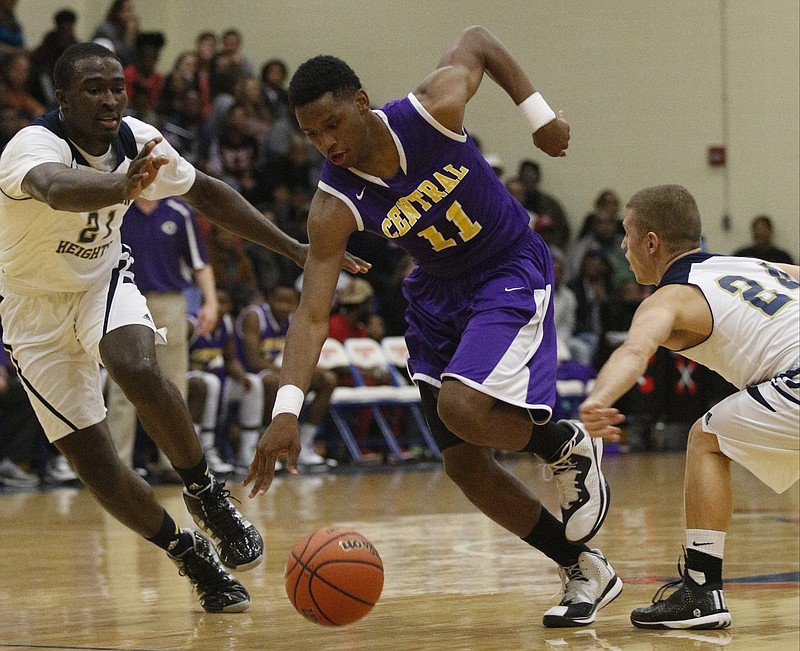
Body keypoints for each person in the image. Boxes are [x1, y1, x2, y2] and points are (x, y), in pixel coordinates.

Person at [244, 26, 622, 628]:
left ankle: (564, 445)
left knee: (461, 407)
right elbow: (313, 313)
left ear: (360, 101)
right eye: (311, 134)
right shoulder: (332, 204)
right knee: (463, 463)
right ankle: (584, 568)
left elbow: (477, 41)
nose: (326, 142)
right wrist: (286, 410)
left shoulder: (430, 111)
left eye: (332, 124)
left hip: (506, 266)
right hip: (436, 294)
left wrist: (539, 114)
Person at [0, 43, 366, 613]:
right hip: (33, 310)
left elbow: (208, 194)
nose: (109, 98)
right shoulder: (31, 146)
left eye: (117, 86)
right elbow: (55, 188)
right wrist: (122, 188)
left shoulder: (137, 138)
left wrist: (295, 248)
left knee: (136, 364)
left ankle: (205, 492)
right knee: (95, 465)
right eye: (92, 88)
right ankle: (186, 552)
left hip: (101, 282)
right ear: (63, 97)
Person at [579, 184, 799, 630]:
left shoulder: (671, 297)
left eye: (627, 234)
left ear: (652, 242)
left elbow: (634, 351)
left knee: (706, 439)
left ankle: (702, 591)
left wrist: (598, 399)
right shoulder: (753, 264)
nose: (623, 246)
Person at [104, 195, 216, 479]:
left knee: (174, 382)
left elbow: (200, 261)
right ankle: (120, 465)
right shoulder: (118, 208)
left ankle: (175, 463)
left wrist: (211, 302)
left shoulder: (179, 211)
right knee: (122, 385)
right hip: (123, 300)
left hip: (169, 302)